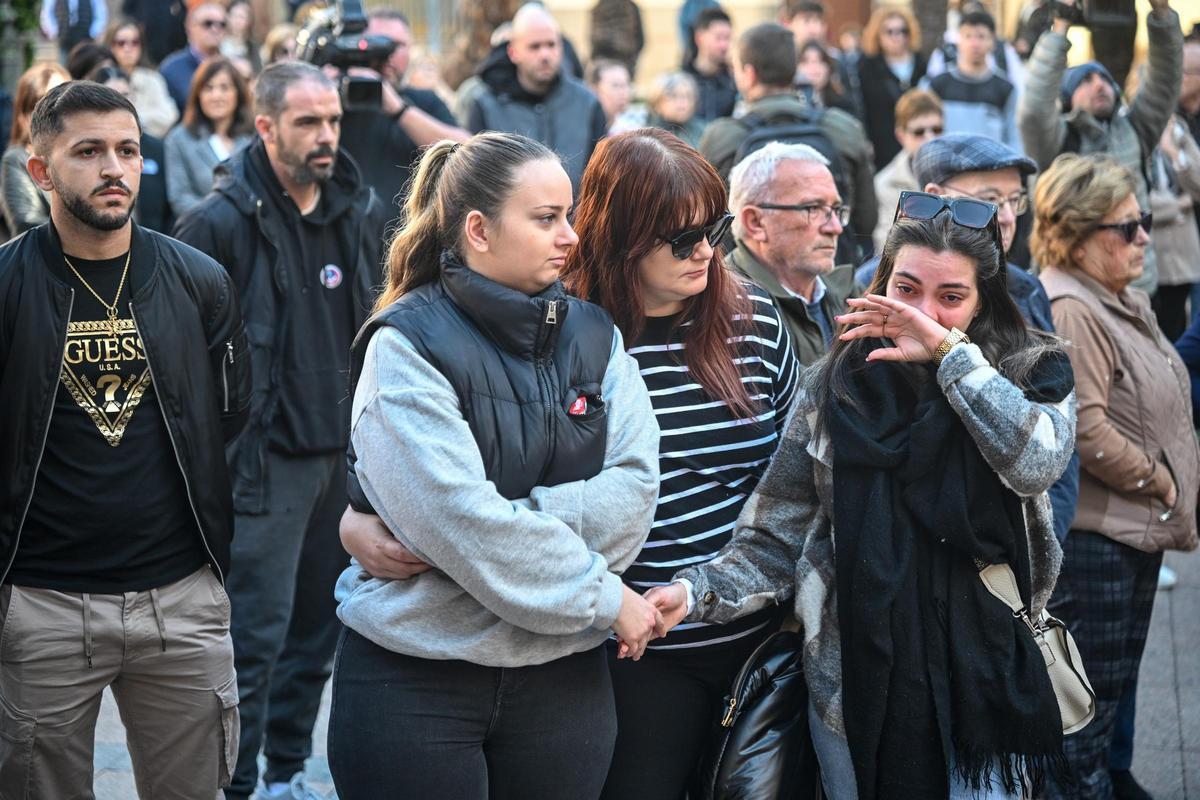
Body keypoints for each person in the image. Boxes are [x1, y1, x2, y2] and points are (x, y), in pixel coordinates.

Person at [650, 194, 1077, 800]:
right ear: (881, 284)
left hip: (985, 674)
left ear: (984, 301)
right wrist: (694, 593)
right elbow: (776, 536)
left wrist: (949, 356)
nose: (922, 313)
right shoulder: (834, 386)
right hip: (854, 680)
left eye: (951, 297)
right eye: (906, 289)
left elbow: (1036, 461)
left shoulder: (1030, 371)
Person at [327, 133, 662, 800]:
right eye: (545, 218)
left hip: (564, 685)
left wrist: (482, 536)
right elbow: (458, 518)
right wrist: (599, 595)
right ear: (478, 230)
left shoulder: (597, 336)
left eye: (568, 215)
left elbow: (632, 499)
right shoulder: (405, 345)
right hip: (415, 680)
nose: (569, 236)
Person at [0, 78, 249, 799]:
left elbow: (226, 416)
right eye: (88, 152)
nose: (114, 168)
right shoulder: (7, 286)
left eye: (129, 150)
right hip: (42, 605)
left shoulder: (199, 281)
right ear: (40, 171)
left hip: (181, 601)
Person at [553, 128, 798, 800]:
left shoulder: (755, 321)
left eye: (715, 229)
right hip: (628, 655)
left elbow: (799, 483)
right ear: (622, 237)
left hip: (757, 643)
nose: (706, 253)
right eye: (683, 239)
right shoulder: (564, 336)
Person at [172, 61, 390, 800]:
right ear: (265, 126)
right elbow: (180, 361)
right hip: (262, 465)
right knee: (251, 642)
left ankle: (288, 774)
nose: (327, 135)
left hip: (342, 461)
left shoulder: (356, 209)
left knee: (317, 634)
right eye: (308, 122)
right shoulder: (217, 223)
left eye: (333, 120)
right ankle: (233, 786)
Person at [1032, 153, 1199, 800]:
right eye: (1126, 227)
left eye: (1144, 220)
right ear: (1076, 237)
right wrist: (1160, 481)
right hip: (1097, 543)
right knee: (1086, 718)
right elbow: (1086, 429)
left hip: (1130, 536)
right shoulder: (1072, 307)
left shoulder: (1118, 297)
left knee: (1110, 701)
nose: (1144, 237)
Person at [859, 134, 1081, 549]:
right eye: (990, 200)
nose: (1007, 216)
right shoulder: (874, 297)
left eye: (1015, 200)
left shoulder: (1027, 290)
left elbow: (1057, 455)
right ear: (935, 196)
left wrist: (1043, 541)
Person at [1019, 0, 1182, 296]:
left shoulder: (1134, 129)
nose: (1099, 85)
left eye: (1104, 78)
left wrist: (1162, 15)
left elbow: (1164, 81)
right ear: (1066, 98)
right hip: (1073, 290)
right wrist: (1060, 27)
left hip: (1137, 288)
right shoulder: (1054, 140)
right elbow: (1034, 107)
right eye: (1085, 80)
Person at [699, 22, 877, 261]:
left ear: (749, 74)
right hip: (827, 272)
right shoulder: (842, 128)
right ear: (794, 71)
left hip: (747, 276)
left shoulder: (722, 137)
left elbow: (706, 223)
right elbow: (867, 219)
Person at [727, 142, 857, 366]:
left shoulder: (851, 293)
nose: (835, 227)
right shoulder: (728, 308)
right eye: (812, 208)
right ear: (756, 222)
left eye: (836, 209)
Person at [338, 10, 469, 218]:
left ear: (410, 50)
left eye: (397, 45)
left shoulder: (423, 101)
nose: (387, 54)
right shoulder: (335, 101)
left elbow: (465, 151)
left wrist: (398, 109)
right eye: (377, 43)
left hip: (408, 231)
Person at [465, 3, 607, 193]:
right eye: (534, 46)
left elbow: (600, 180)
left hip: (576, 212)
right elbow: (477, 181)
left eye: (551, 44)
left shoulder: (588, 103)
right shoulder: (485, 105)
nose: (545, 54)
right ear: (513, 52)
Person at [164, 58, 254, 215]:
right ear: (198, 95)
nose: (216, 96)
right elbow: (180, 198)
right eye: (208, 88)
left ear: (238, 93)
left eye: (224, 88)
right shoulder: (179, 139)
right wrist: (220, 218)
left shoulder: (254, 138)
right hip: (201, 226)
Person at [923, 9, 1022, 152]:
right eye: (968, 36)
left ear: (993, 42)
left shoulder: (1005, 89)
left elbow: (1014, 139)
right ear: (958, 40)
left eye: (981, 36)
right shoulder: (937, 86)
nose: (974, 44)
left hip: (991, 164)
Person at [0, 62, 68, 237]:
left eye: (62, 103)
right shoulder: (16, 159)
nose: (53, 113)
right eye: (40, 106)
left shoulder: (86, 154)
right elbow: (26, 225)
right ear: (24, 116)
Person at [1148, 115, 1200, 341]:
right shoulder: (1134, 131)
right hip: (1152, 260)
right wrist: (1178, 205)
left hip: (1183, 259)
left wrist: (1172, 150)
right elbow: (1139, 202)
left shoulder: (1179, 132)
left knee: (1179, 331)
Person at [857, 6, 927, 170]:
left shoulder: (921, 63)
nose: (897, 37)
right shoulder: (867, 66)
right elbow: (862, 107)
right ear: (878, 35)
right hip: (882, 144)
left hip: (918, 141)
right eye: (890, 31)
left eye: (903, 31)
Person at [873, 88, 943, 251]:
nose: (930, 138)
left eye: (936, 130)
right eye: (919, 132)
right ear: (901, 135)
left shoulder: (959, 175)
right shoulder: (886, 183)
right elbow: (885, 244)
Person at [103, 18, 179, 137]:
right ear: (110, 46)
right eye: (121, 43)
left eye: (134, 42)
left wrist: (131, 120)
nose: (128, 48)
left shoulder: (153, 79)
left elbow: (168, 116)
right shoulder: (101, 77)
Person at [159, 2, 228, 113]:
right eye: (208, 23)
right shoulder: (171, 69)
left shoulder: (233, 66)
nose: (215, 29)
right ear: (190, 27)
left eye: (222, 24)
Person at [685, 7, 738, 124]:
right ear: (699, 38)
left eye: (728, 38)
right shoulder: (683, 81)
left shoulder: (735, 81)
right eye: (718, 38)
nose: (724, 45)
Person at [643, 71, 706, 148]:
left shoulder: (703, 132)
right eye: (674, 96)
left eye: (688, 96)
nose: (684, 104)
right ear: (657, 100)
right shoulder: (643, 134)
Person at [796, 40, 856, 115]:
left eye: (819, 60)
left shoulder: (842, 105)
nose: (813, 66)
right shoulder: (792, 103)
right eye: (806, 61)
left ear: (828, 67)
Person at [119, 0, 187, 65]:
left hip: (171, 51)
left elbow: (183, 14)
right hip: (146, 51)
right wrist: (137, 26)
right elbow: (126, 14)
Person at [589, 0, 645, 78]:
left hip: (606, 61)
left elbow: (593, 39)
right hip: (622, 61)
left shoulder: (599, 7)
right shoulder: (631, 7)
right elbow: (640, 40)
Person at [40, 0, 107, 62]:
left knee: (84, 64)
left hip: (85, 40)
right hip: (64, 40)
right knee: (64, 65)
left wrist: (93, 33)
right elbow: (47, 12)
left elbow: (100, 13)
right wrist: (54, 31)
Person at [587, 59, 633, 131]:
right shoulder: (582, 126)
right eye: (616, 85)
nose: (623, 92)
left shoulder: (631, 129)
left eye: (626, 85)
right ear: (594, 88)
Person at [220, 0, 262, 77]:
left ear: (249, 20)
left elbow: (257, 72)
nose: (237, 21)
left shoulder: (253, 48)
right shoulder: (219, 43)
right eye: (234, 16)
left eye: (241, 17)